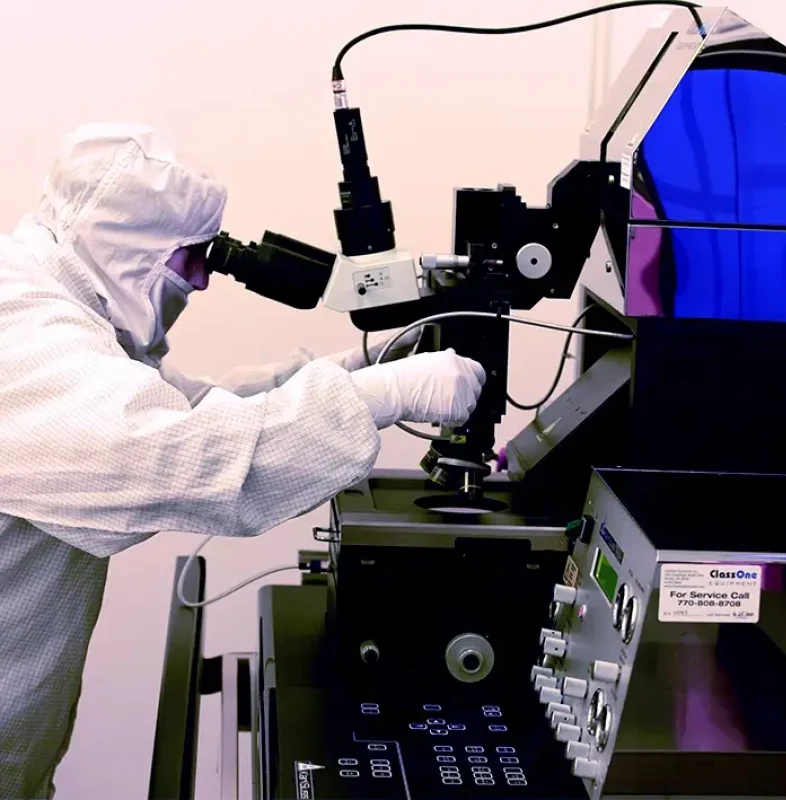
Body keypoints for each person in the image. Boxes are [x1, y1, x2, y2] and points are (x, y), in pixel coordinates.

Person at [0, 122, 485, 798]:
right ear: (126, 248)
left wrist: (361, 369)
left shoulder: (57, 301)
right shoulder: (22, 334)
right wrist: (385, 395)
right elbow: (174, 455)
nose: (202, 282)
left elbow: (186, 408)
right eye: (194, 256)